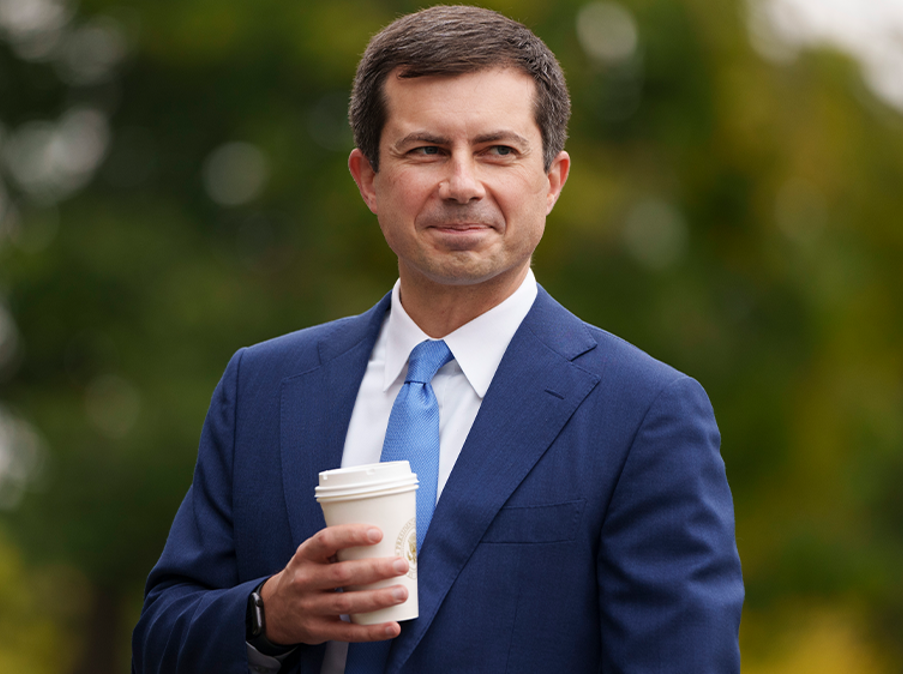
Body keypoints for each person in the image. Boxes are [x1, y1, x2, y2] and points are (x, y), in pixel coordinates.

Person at [132, 5, 743, 673]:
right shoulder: (263, 387)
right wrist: (268, 615)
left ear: (552, 181)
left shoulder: (644, 414)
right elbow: (161, 642)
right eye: (426, 150)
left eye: (497, 151)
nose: (461, 184)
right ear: (368, 179)